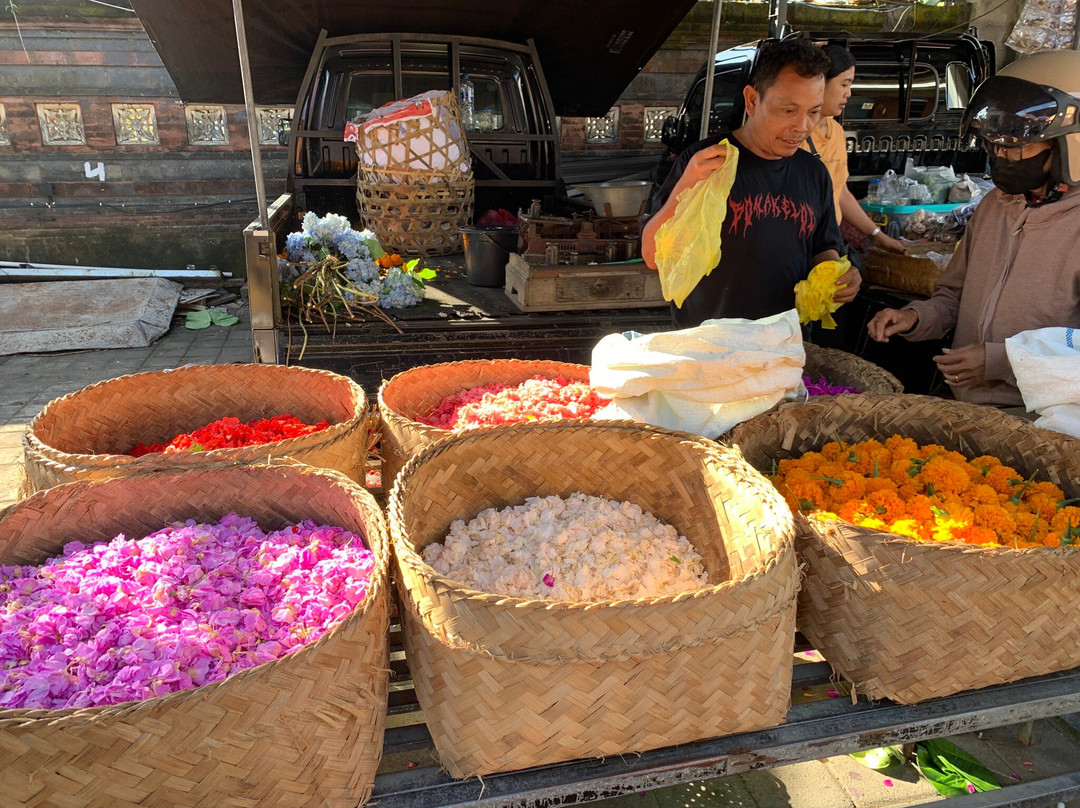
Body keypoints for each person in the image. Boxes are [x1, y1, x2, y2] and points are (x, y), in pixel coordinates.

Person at [867, 50, 1080, 407]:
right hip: (965, 403)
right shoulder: (994, 207)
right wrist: (914, 317)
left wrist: (999, 362)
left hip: (1044, 415)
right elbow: (953, 297)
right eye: (994, 147)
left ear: (1068, 146)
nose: (1002, 159)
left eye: (1016, 149)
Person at [642, 38, 859, 327]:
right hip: (709, 343)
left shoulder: (814, 172)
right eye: (789, 110)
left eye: (813, 112)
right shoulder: (705, 163)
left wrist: (838, 275)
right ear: (753, 101)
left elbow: (823, 248)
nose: (802, 126)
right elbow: (652, 256)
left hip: (784, 342)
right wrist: (686, 186)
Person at [802, 45, 906, 256]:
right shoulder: (795, 135)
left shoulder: (836, 132)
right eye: (844, 84)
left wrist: (879, 236)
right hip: (801, 245)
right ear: (820, 82)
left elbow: (841, 192)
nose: (848, 93)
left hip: (827, 242)